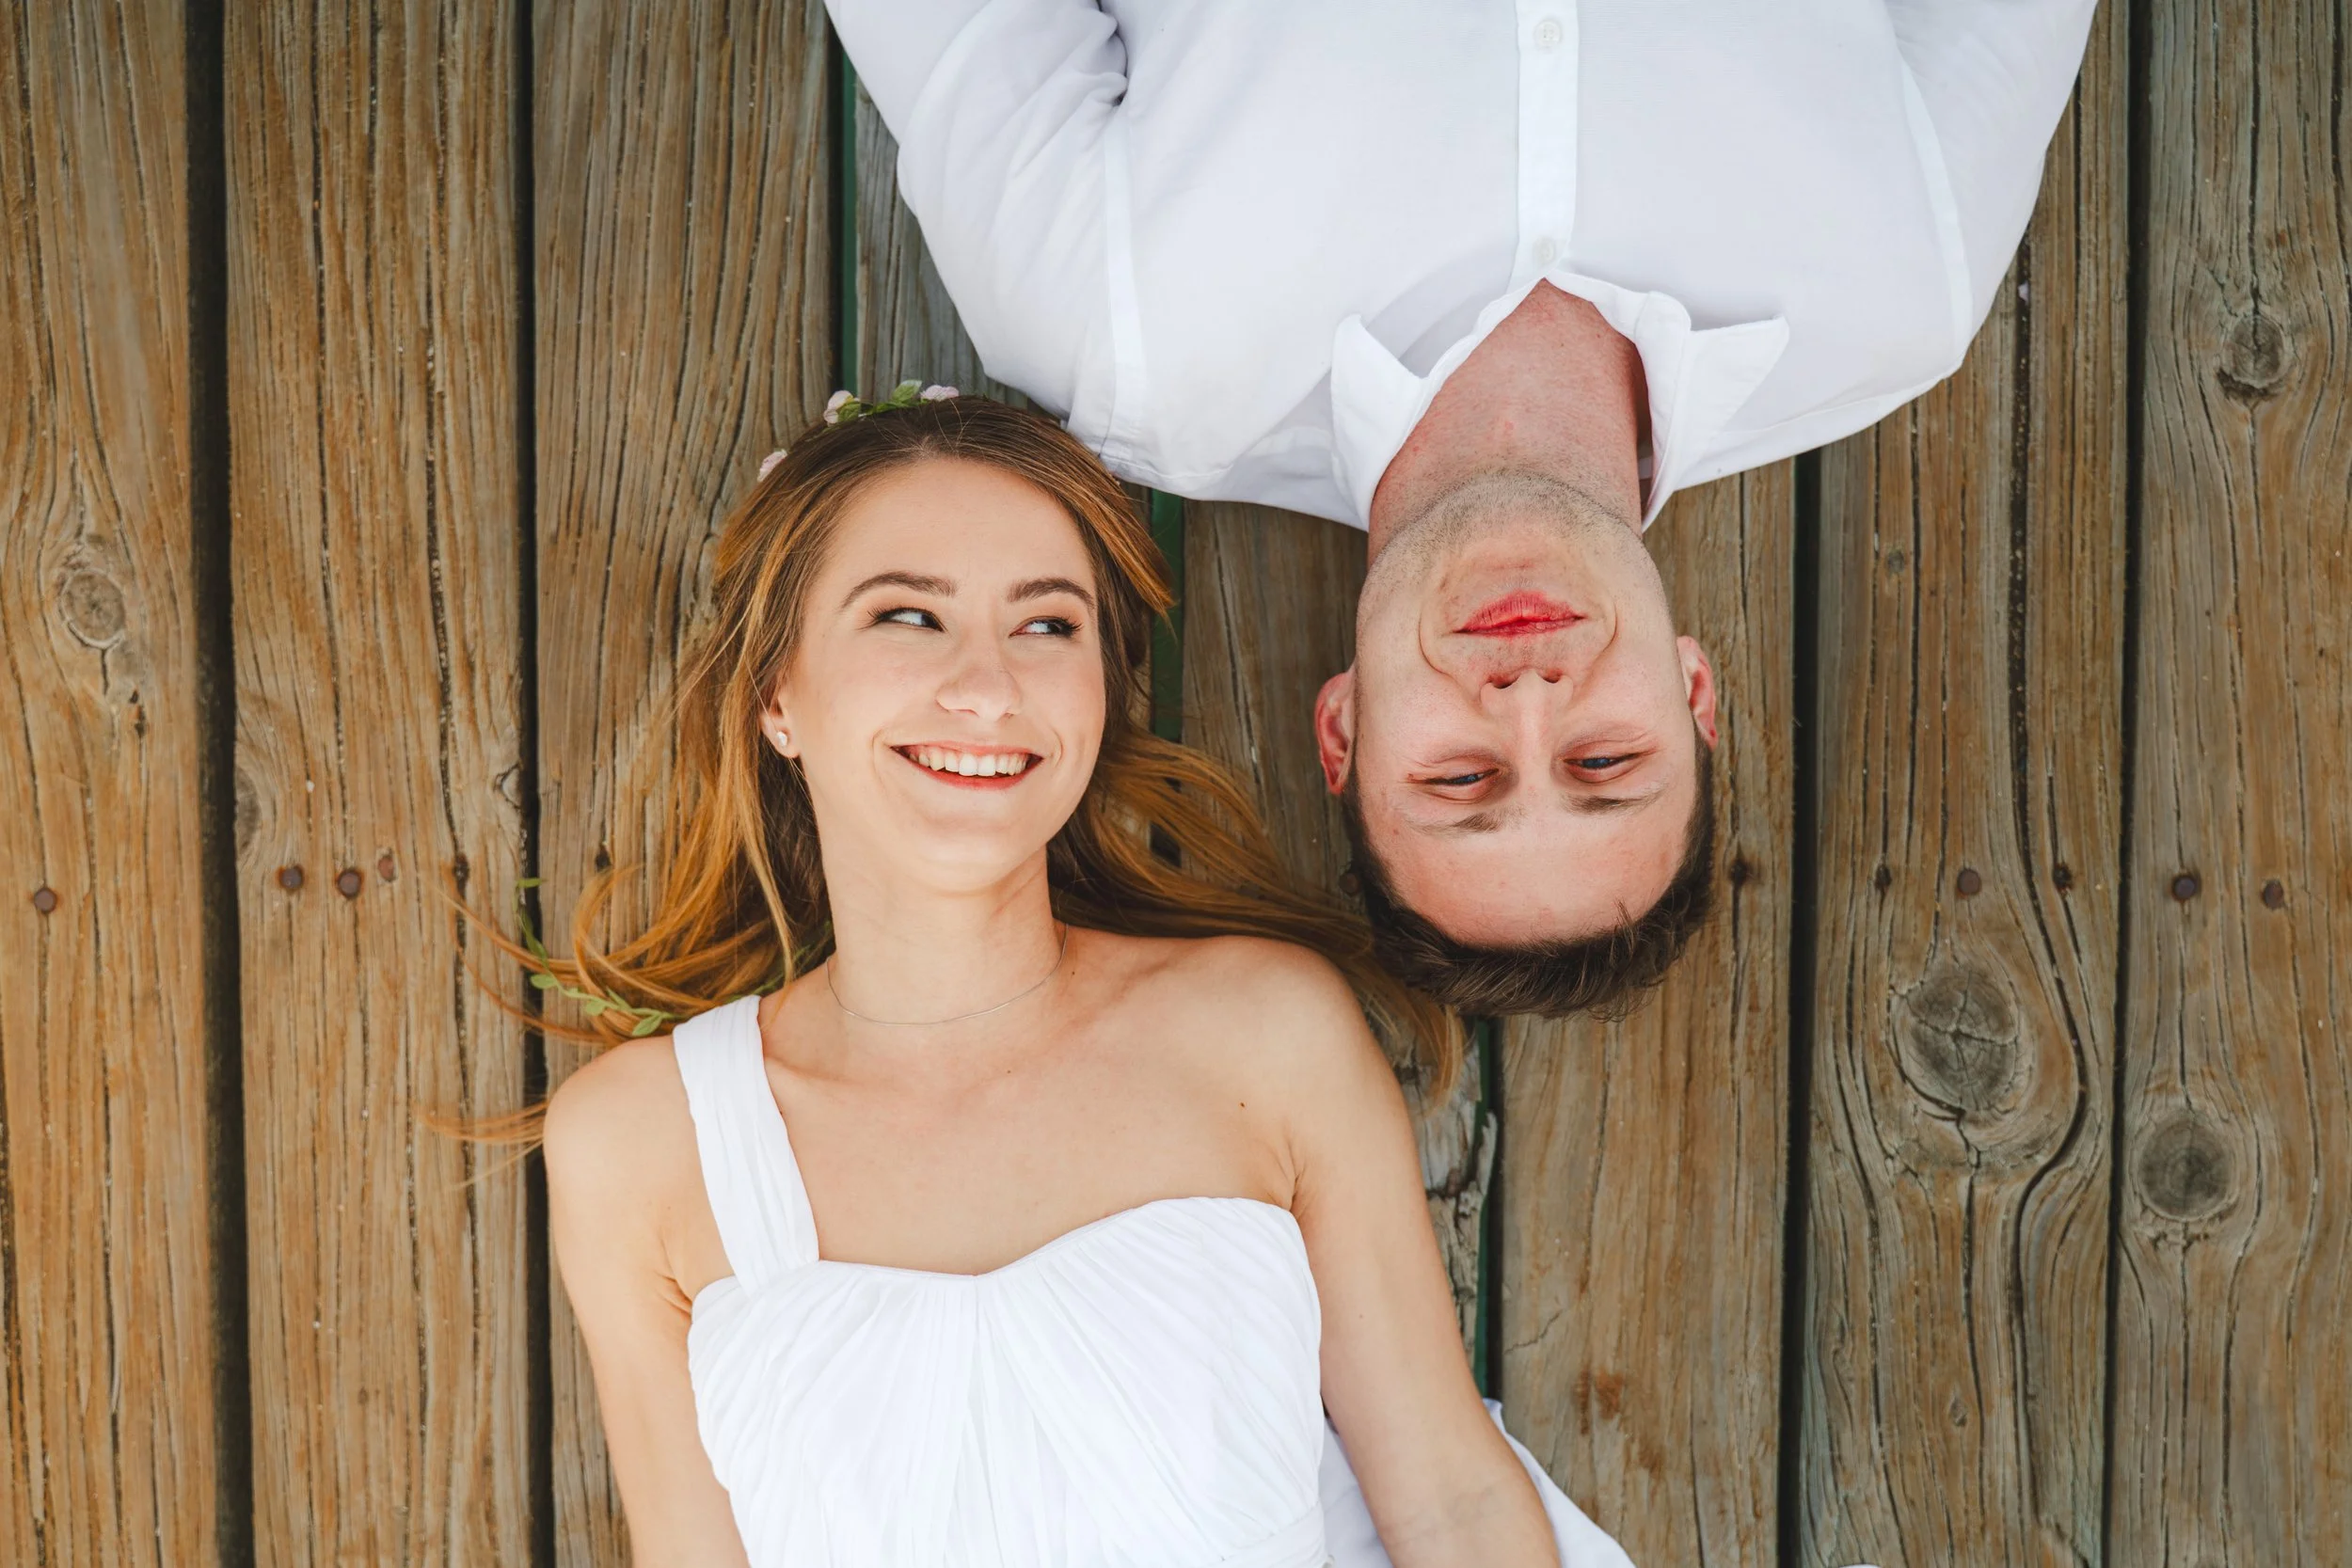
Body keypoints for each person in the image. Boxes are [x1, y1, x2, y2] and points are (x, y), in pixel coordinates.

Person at [824, 0, 2100, 1015]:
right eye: (1607, 760)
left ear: (1346, 729)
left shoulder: (1115, 331)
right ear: (1697, 695)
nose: (1529, 696)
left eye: (1460, 774)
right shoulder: (1900, 281)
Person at [532, 393, 1636, 1565]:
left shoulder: (1264, 1033)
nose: (987, 686)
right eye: (907, 615)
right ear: (777, 696)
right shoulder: (639, 1142)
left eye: (1047, 626)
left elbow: (1450, 1501)